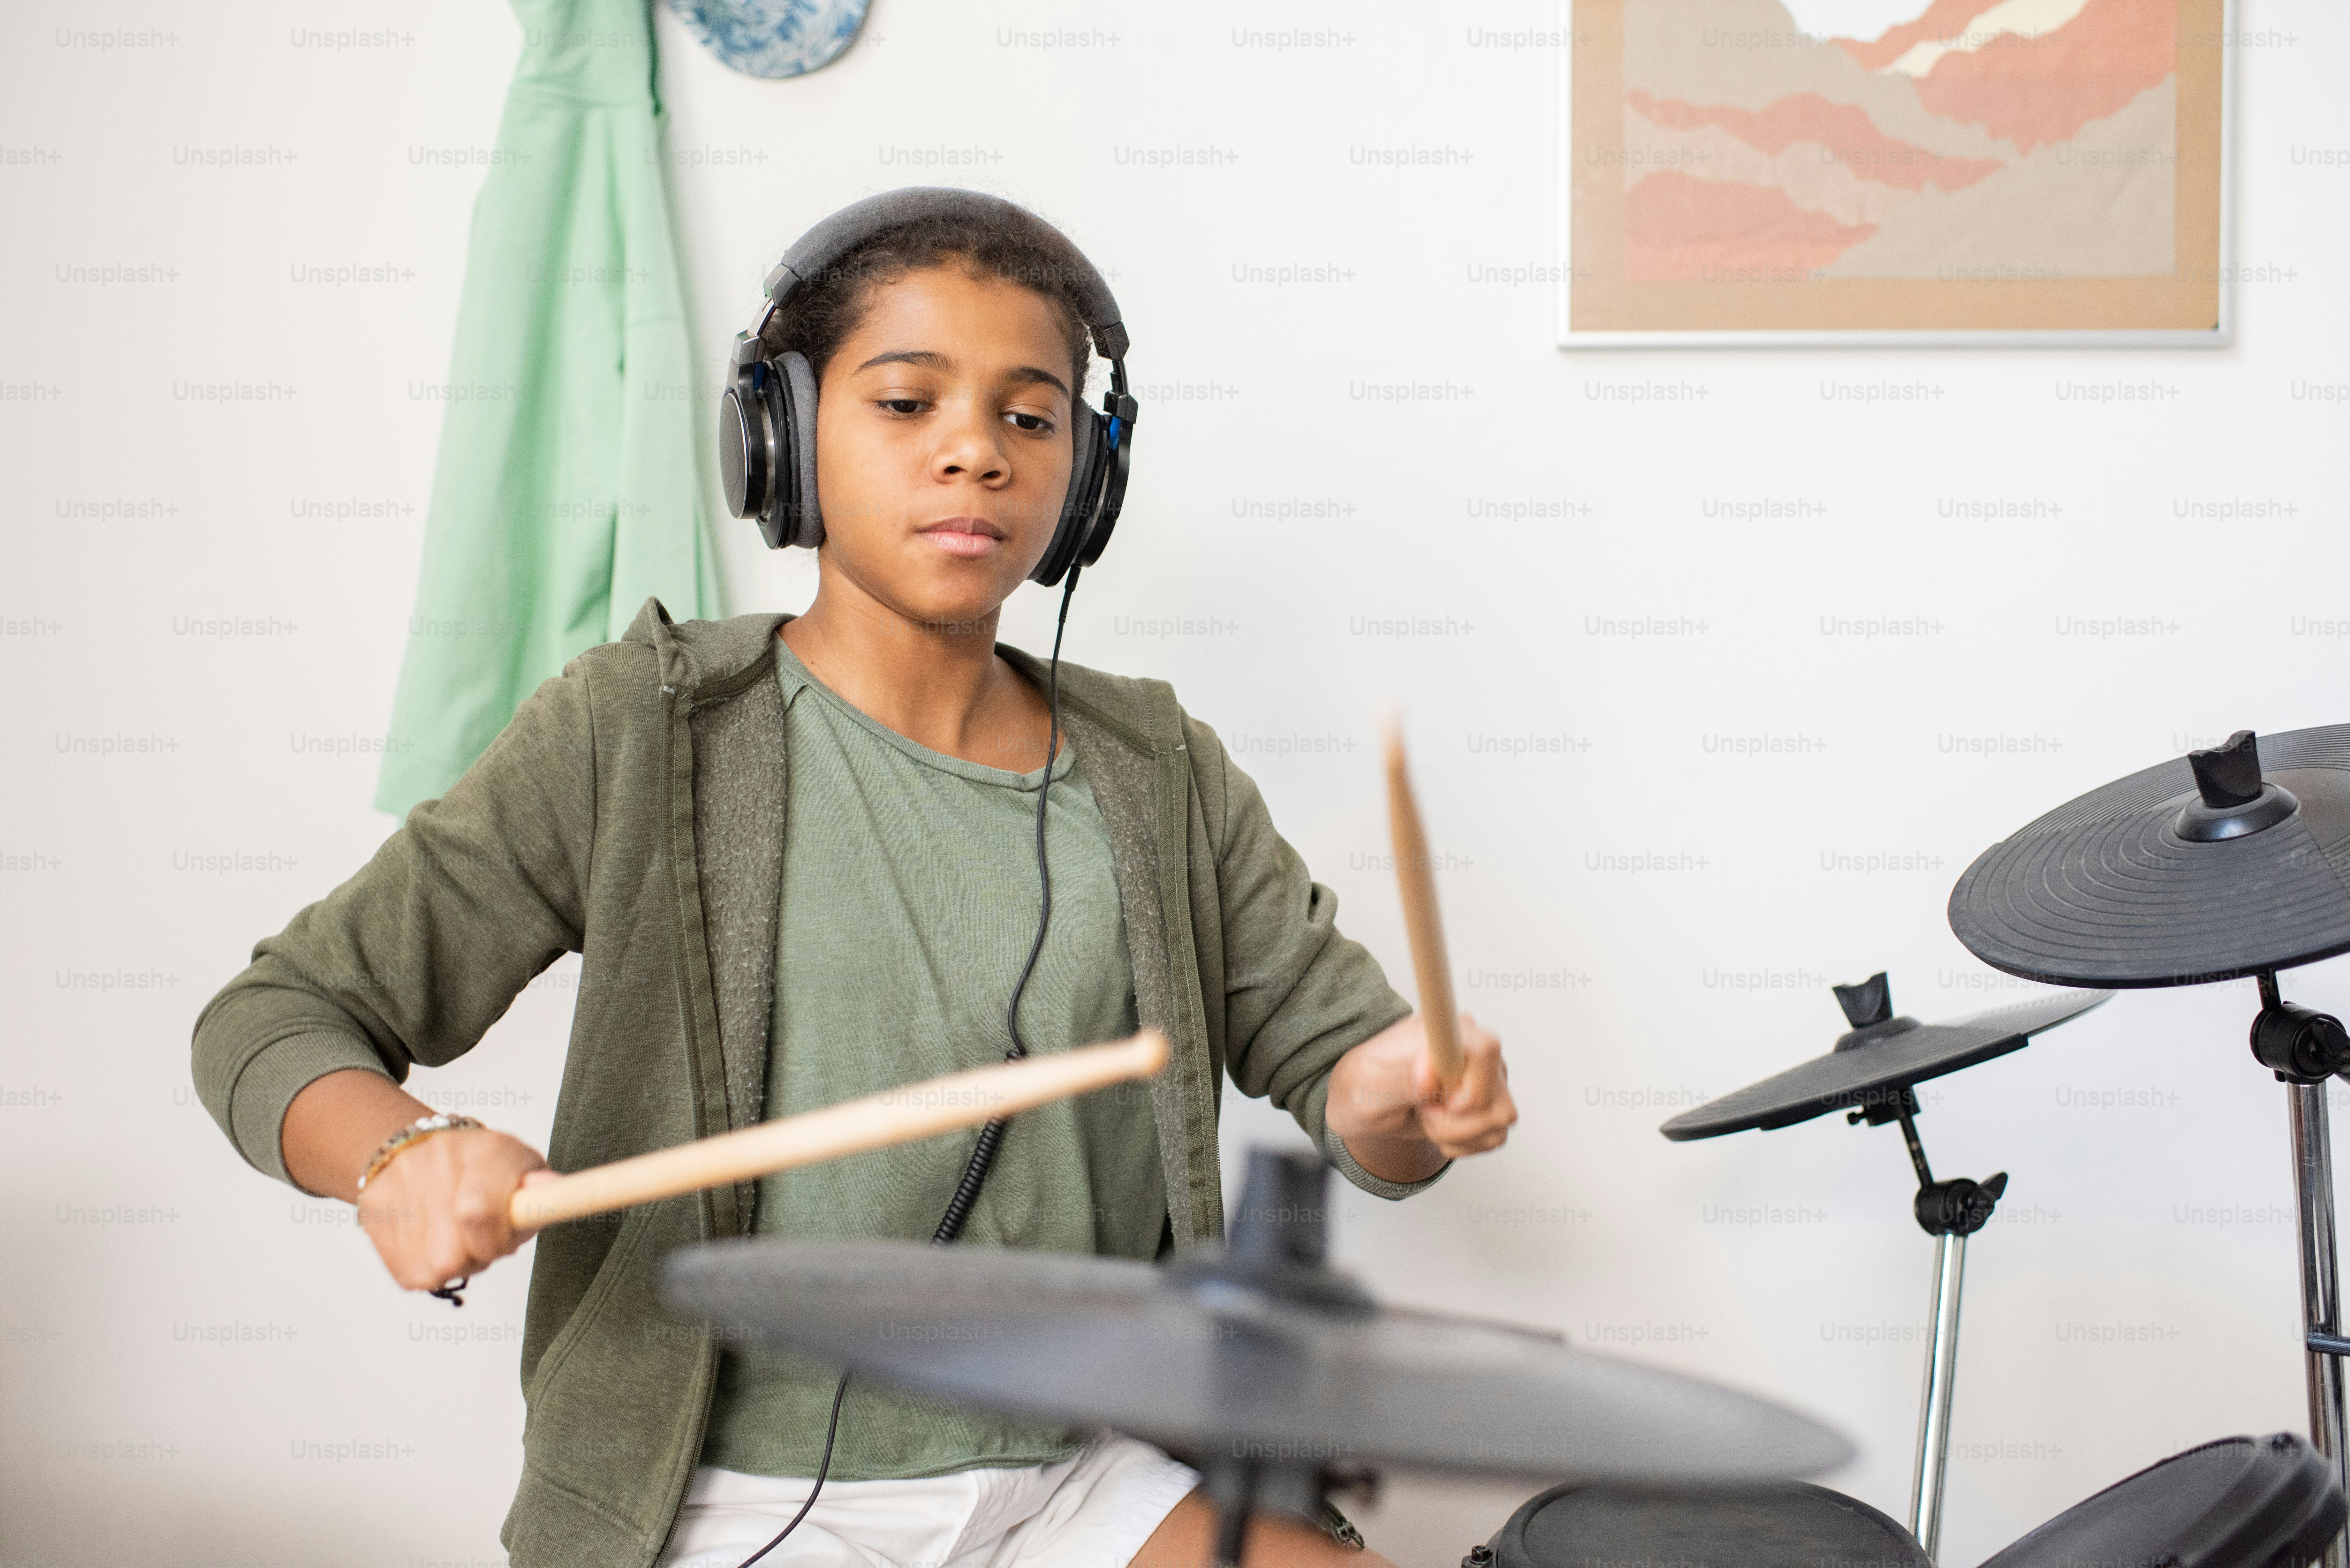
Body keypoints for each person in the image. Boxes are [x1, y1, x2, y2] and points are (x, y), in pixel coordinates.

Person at [191, 188, 1517, 1568]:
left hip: (1077, 1470)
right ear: (783, 440)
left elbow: (1360, 1087)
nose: (975, 455)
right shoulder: (639, 731)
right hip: (721, 1493)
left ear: (1088, 473)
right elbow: (274, 1018)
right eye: (905, 403)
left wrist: (1397, 1092)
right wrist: (397, 1156)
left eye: (1028, 414)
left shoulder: (1156, 766)